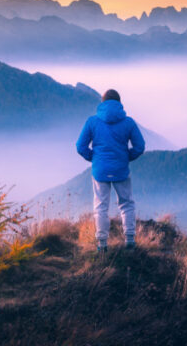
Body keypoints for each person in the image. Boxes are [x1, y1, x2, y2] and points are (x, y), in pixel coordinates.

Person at [76, 89, 145, 252]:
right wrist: (126, 157)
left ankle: (102, 243)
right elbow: (140, 146)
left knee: (101, 206)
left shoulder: (92, 122)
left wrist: (94, 158)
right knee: (126, 203)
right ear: (119, 103)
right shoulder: (128, 122)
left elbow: (80, 146)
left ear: (102, 102)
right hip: (121, 169)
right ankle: (129, 239)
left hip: (100, 170)